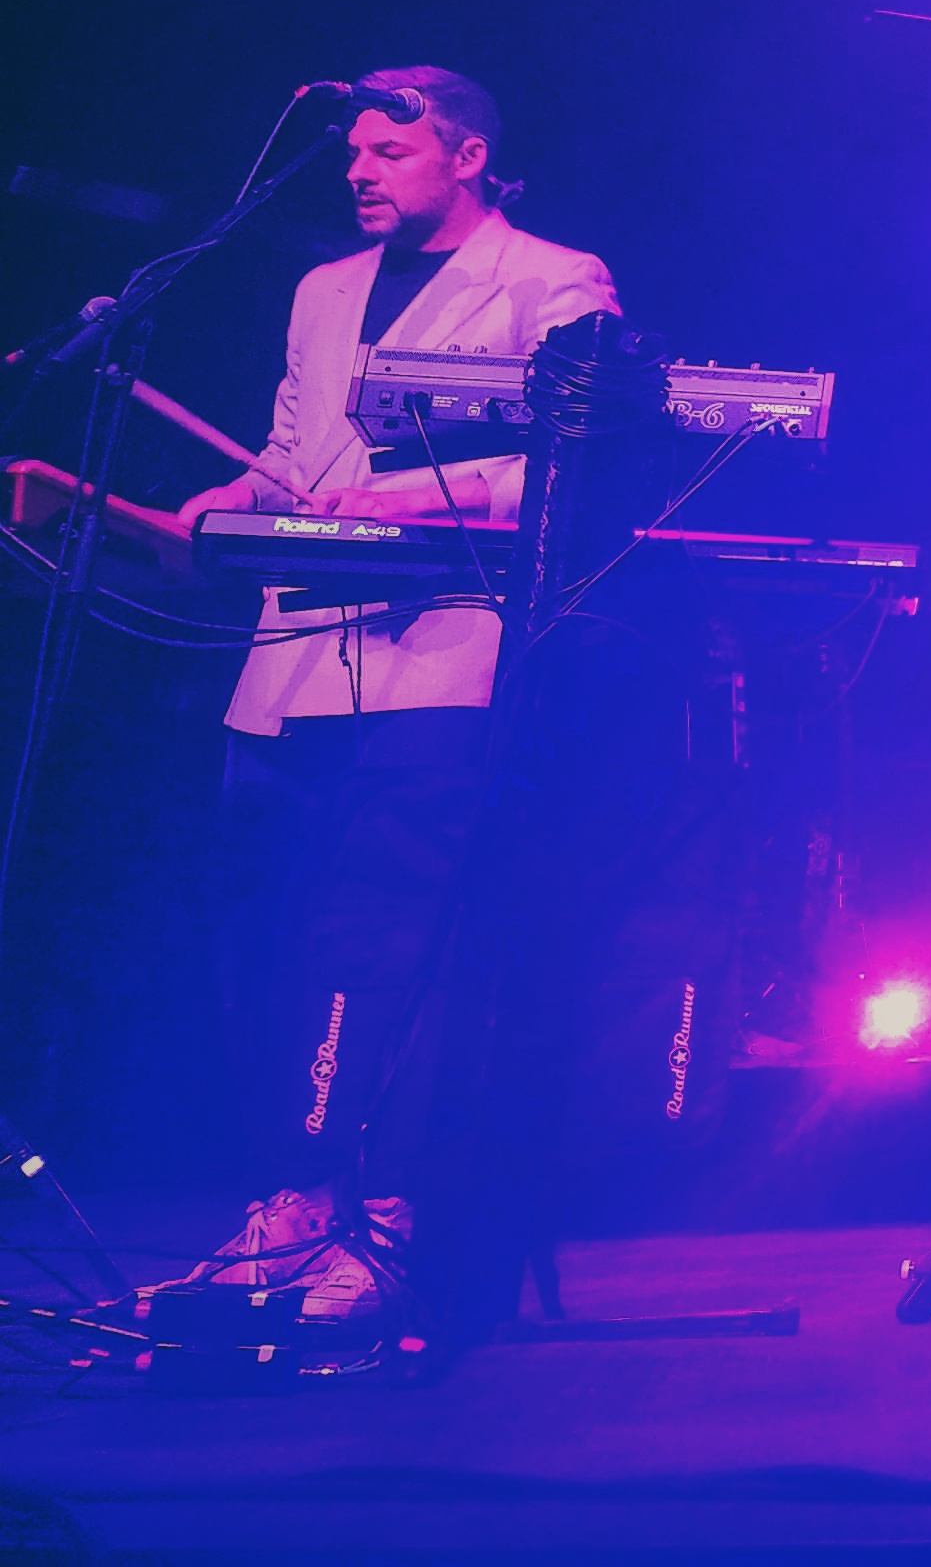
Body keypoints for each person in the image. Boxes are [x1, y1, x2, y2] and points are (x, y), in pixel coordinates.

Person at [171, 71, 620, 1319]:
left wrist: (408, 497)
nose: (360, 171)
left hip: (438, 653)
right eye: (354, 153)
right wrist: (228, 500)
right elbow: (293, 454)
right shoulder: (323, 291)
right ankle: (290, 1198)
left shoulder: (552, 280)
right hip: (292, 660)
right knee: (267, 933)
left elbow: (575, 468)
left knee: (389, 939)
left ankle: (392, 1213)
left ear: (467, 155)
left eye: (389, 151)